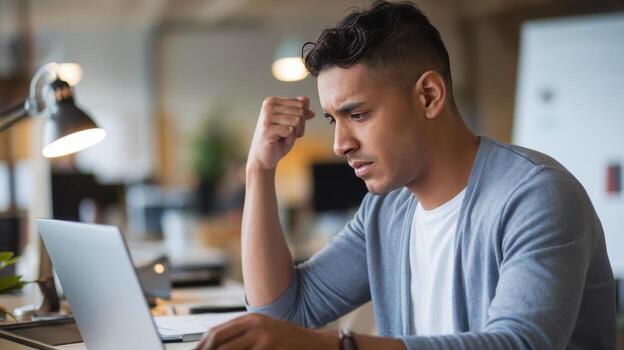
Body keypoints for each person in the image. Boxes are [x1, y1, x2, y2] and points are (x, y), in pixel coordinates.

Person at [196, 1, 616, 349]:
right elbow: (282, 312)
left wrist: (339, 345)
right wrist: (259, 170)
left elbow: (521, 344)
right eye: (332, 120)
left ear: (429, 96)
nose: (340, 143)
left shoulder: (535, 195)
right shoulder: (387, 210)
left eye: (357, 114)